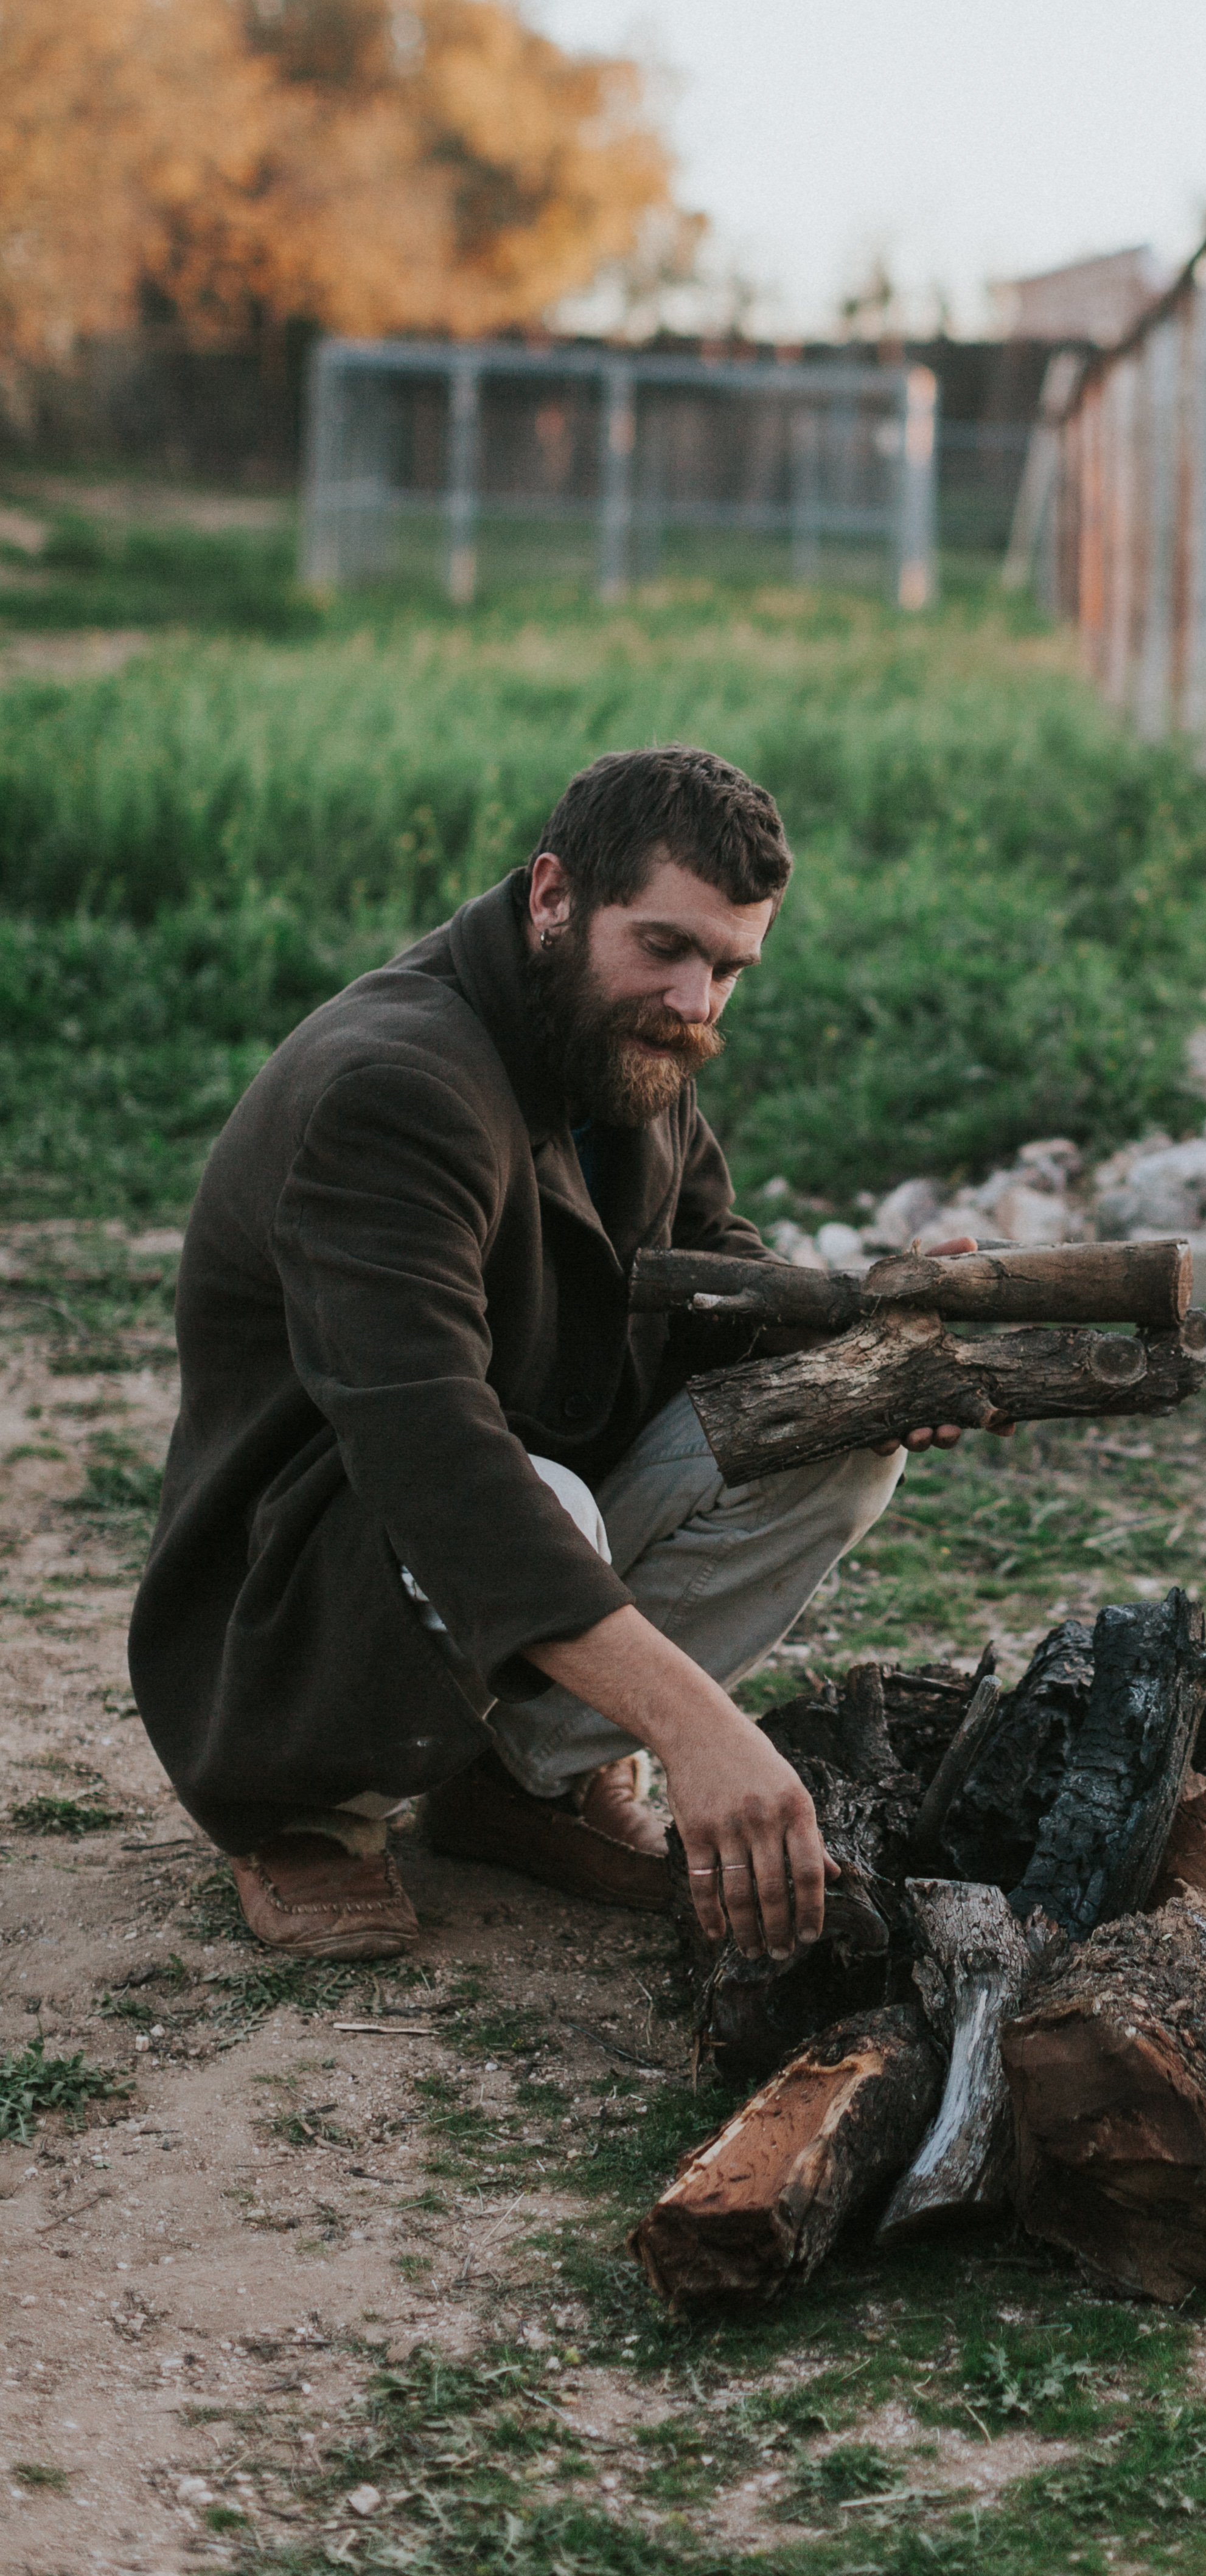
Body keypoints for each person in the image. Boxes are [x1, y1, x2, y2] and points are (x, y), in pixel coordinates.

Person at [129, 743, 988, 1970]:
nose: (697, 1002)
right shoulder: (392, 1088)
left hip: (511, 1516)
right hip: (307, 1592)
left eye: (729, 968)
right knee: (547, 1500)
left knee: (832, 1428)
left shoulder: (623, 1040)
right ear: (551, 899)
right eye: (666, 946)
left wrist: (872, 1332)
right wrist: (700, 1730)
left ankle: (515, 1786)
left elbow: (703, 1265)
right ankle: (307, 1813)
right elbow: (438, 1463)